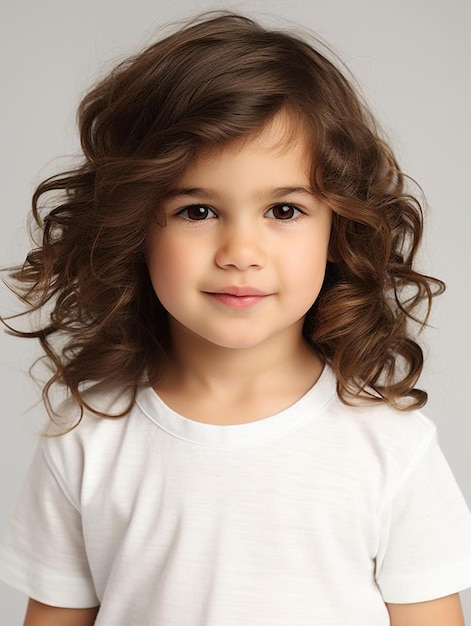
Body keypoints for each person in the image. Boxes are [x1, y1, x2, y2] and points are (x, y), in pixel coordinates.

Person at [1, 11, 470, 626]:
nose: (240, 252)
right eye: (198, 211)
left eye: (283, 209)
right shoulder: (88, 440)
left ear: (339, 228)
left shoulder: (391, 446)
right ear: (134, 224)